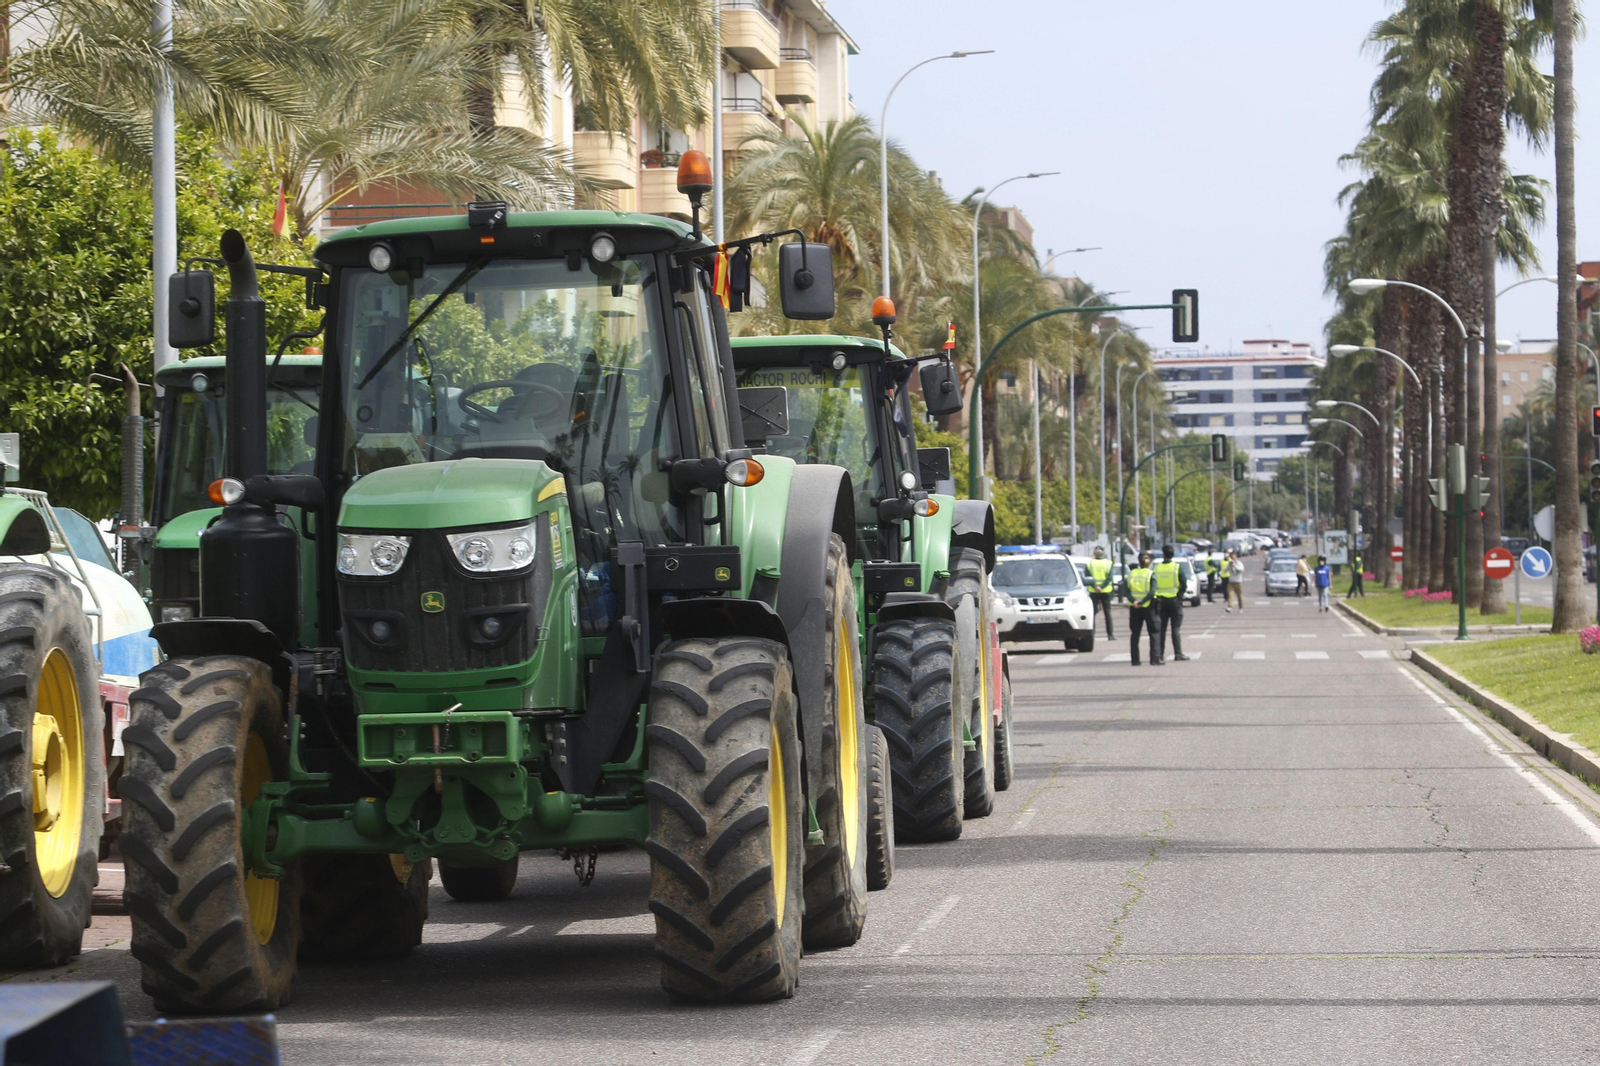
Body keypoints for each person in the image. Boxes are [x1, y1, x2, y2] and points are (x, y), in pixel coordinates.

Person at [1152, 544, 1190, 663]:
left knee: (1161, 629)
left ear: (1163, 554)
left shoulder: (1157, 568)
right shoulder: (1177, 567)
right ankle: (1178, 653)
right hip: (1174, 601)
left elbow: (1152, 582)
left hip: (1161, 601)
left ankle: (1160, 654)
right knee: (1175, 629)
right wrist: (1180, 595)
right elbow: (1184, 583)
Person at [1125, 551, 1157, 666]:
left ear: (1138, 561)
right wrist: (1143, 601)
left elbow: (1126, 590)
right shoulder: (1150, 574)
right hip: (1148, 607)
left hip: (1134, 607)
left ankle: (1135, 660)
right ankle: (1154, 659)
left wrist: (1134, 601)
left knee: (1135, 634)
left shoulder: (1131, 574)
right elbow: (1152, 591)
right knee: (1153, 632)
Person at [1086, 546, 1115, 640]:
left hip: (1093, 591)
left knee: (1092, 614)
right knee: (1107, 613)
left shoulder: (1090, 563)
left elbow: (1087, 577)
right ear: (1103, 553)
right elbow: (1110, 578)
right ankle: (1110, 635)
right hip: (1106, 591)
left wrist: (1095, 586)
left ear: (1094, 553)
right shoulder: (1108, 563)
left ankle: (1092, 634)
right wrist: (1102, 587)